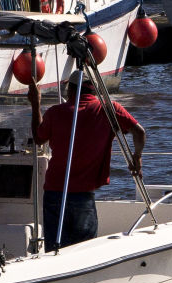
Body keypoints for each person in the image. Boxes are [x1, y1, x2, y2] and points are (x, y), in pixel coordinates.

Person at [29, 69, 146, 251]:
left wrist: (35, 104)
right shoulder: (109, 109)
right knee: (83, 251)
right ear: (94, 91)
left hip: (54, 192)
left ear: (71, 91)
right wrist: (136, 158)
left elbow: (38, 138)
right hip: (83, 195)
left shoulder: (55, 112)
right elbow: (139, 132)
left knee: (54, 251)